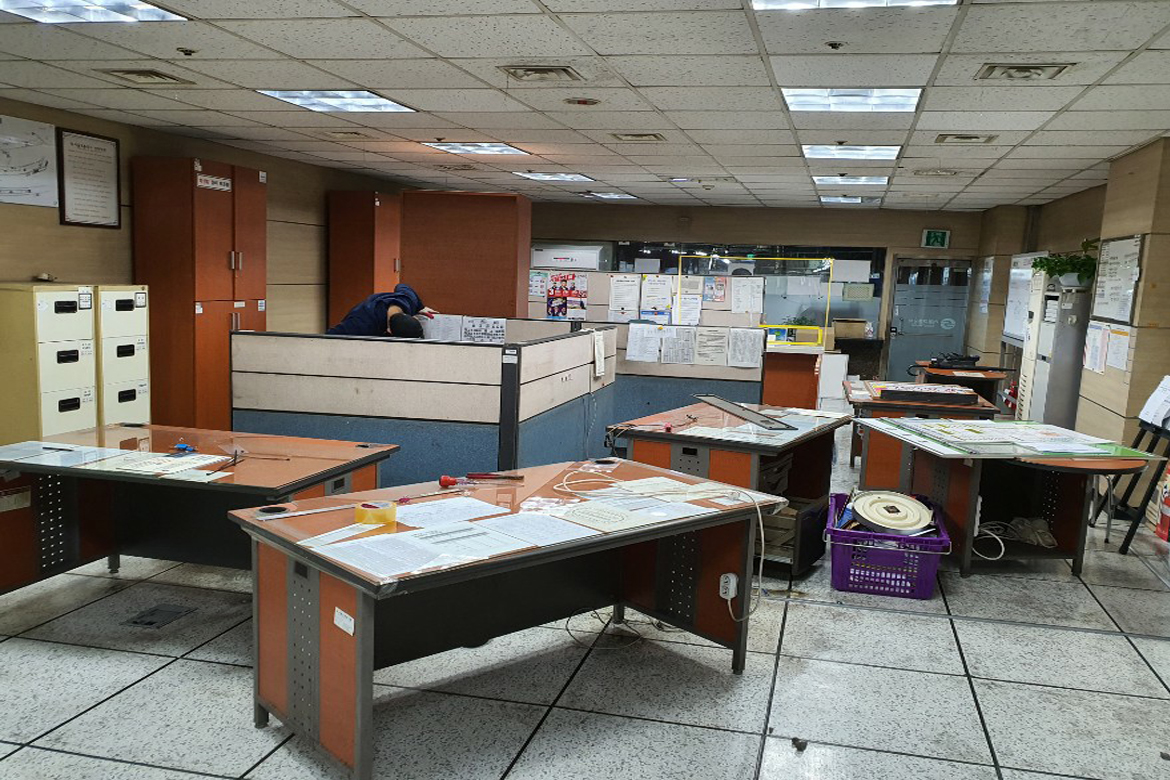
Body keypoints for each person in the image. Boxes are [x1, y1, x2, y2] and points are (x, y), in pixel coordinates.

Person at [327, 284, 437, 338]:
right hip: (367, 318)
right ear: (389, 331)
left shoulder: (408, 301)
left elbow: (402, 286)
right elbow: (329, 337)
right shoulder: (361, 324)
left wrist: (420, 307)